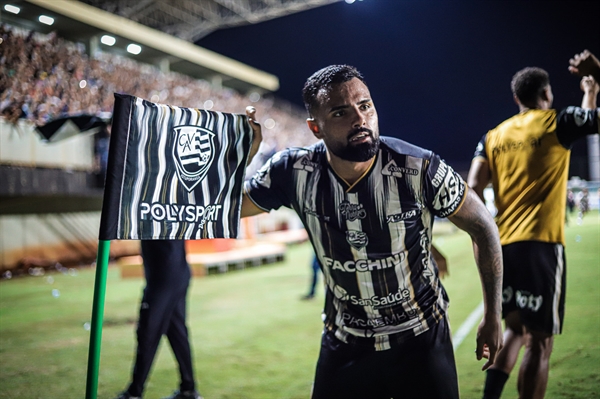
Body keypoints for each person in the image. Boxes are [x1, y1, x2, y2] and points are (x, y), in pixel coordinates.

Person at [241, 65, 504, 399]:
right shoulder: (292, 172)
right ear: (315, 128)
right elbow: (229, 208)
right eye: (340, 112)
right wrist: (242, 156)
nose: (360, 119)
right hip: (345, 342)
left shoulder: (418, 167)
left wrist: (493, 315)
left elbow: (483, 225)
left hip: (420, 337)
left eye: (365, 105)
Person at [467, 53, 600, 399]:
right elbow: (589, 121)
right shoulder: (557, 122)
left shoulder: (493, 136)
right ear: (547, 94)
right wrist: (596, 78)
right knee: (539, 344)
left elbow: (473, 187)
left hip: (502, 245)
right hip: (542, 245)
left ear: (517, 99)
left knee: (513, 330)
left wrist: (591, 92)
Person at [115, 240, 201, 399]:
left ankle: (134, 393)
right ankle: (188, 389)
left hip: (163, 276)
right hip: (177, 271)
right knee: (177, 333)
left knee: (147, 333)